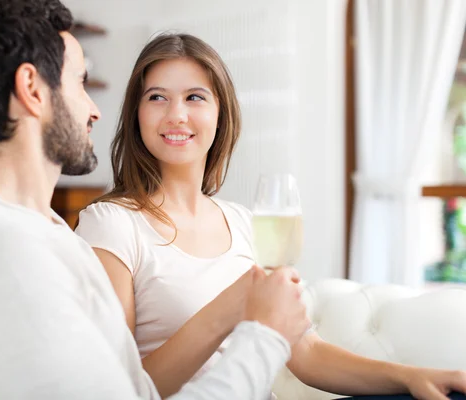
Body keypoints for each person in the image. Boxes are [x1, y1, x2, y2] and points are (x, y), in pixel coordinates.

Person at [0, 1, 312, 399]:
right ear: (32, 89)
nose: (94, 110)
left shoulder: (47, 236)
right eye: (79, 83)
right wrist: (265, 336)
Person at [74, 33, 466, 400]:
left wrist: (410, 376)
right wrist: (226, 311)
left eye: (195, 97)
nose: (176, 114)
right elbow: (120, 389)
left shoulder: (244, 223)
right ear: (136, 113)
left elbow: (306, 352)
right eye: (157, 97)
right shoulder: (110, 224)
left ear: (220, 114)